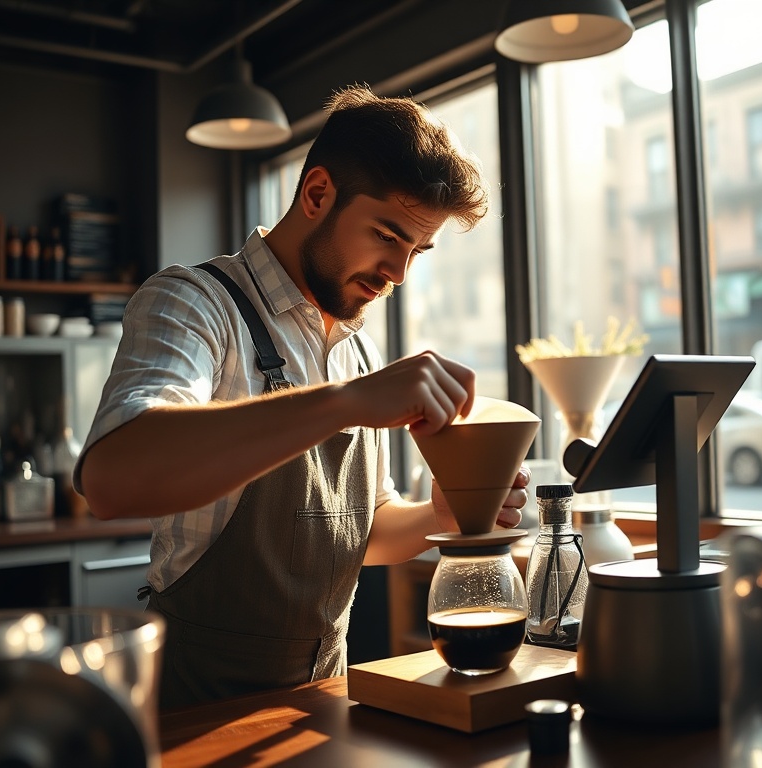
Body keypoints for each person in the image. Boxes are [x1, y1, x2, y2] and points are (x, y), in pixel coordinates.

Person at [75, 84, 531, 710]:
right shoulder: (193, 302)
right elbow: (112, 478)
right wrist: (343, 402)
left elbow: (366, 532)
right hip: (196, 708)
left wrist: (437, 519)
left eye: (416, 251)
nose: (398, 273)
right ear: (317, 194)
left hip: (323, 704)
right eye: (386, 236)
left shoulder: (353, 347)